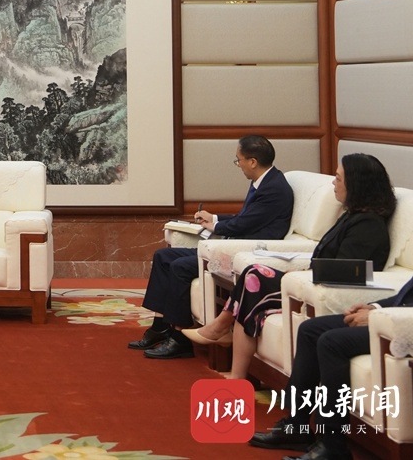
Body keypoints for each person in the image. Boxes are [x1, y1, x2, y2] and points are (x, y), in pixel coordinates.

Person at [184, 153, 394, 380]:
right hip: (309, 280)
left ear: (356, 185)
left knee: (254, 277)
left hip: (321, 288)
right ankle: (228, 349)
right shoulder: (353, 215)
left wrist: (305, 275)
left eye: (338, 178)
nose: (333, 183)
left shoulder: (368, 224)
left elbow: (348, 270)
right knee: (252, 275)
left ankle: (224, 337)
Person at [130, 135, 294, 359]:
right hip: (232, 244)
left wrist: (215, 226)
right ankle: (160, 327)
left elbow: (245, 224)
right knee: (163, 256)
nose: (239, 165)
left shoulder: (274, 189)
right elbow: (246, 217)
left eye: (239, 160)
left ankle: (179, 340)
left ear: (253, 161)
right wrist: (214, 218)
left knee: (179, 267)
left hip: (245, 251)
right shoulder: (264, 181)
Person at [250, 268, 413, 460]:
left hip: (404, 326)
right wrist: (374, 308)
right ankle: (296, 426)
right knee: (310, 330)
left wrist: (378, 317)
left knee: (332, 343)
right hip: (394, 318)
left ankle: (333, 446)